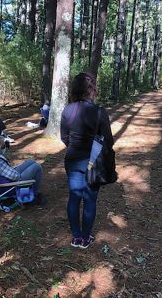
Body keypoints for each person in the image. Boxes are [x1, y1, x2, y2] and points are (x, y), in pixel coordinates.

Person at [60, 72, 115, 249]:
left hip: (72, 159)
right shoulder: (99, 112)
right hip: (94, 162)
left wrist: (75, 146)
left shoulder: (68, 110)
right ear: (92, 90)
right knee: (90, 200)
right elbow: (109, 140)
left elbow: (64, 137)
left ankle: (76, 237)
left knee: (74, 198)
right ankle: (85, 238)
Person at [0, 135, 46, 206]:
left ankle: (32, 191)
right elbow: (15, 177)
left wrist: (13, 169)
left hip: (4, 179)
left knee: (31, 161)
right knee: (37, 167)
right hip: (11, 184)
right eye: (3, 145)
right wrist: (16, 171)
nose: (5, 146)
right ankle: (34, 194)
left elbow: (6, 172)